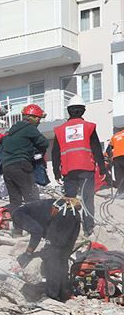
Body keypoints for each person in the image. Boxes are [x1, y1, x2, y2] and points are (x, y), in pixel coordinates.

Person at [51, 94, 106, 236]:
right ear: (83, 111)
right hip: (86, 168)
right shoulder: (88, 127)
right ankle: (89, 229)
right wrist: (103, 167)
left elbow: (55, 153)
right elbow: (96, 148)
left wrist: (56, 172)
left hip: (68, 170)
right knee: (87, 198)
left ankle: (71, 229)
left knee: (70, 200)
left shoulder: (60, 129)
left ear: (68, 111)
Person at [12, 197, 82, 302]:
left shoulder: (18, 215)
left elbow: (37, 231)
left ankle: (52, 296)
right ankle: (63, 293)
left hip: (62, 217)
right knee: (62, 257)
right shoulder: (35, 208)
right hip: (73, 216)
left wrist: (28, 253)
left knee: (51, 255)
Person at [0, 104, 49, 236]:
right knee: (32, 198)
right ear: (32, 118)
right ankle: (38, 229)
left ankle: (17, 231)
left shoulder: (9, 132)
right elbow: (44, 143)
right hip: (21, 165)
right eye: (38, 118)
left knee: (15, 201)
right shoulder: (29, 128)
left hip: (7, 168)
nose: (39, 121)